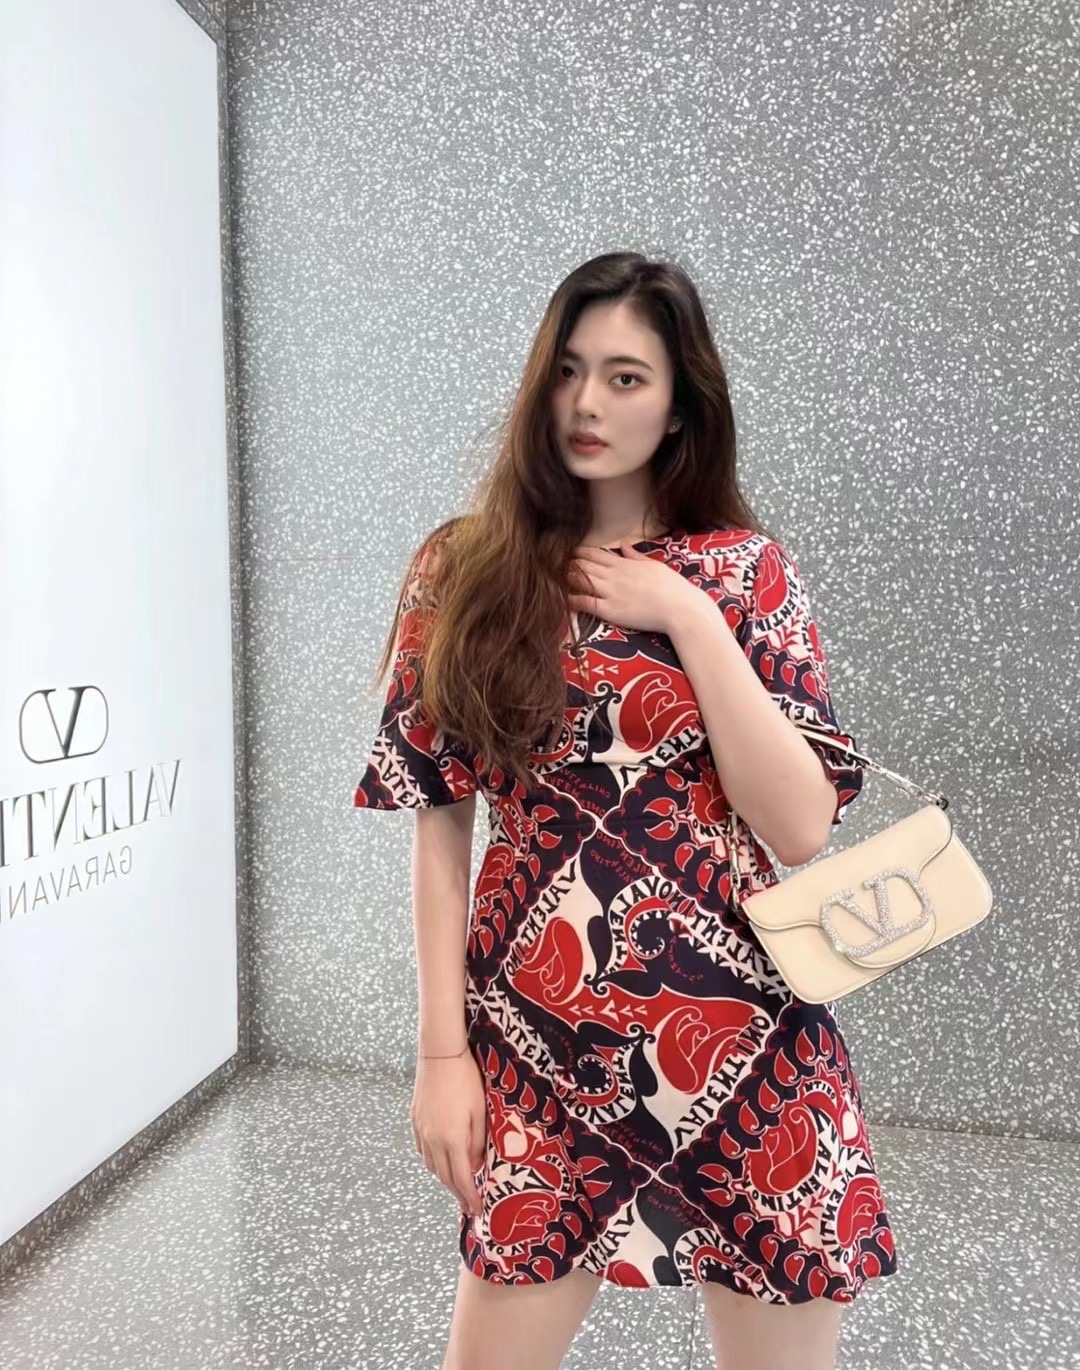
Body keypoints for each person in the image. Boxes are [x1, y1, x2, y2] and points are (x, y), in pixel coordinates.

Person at [353, 252, 898, 1370]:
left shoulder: (744, 574)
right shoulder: (465, 570)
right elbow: (440, 822)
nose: (588, 403)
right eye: (568, 370)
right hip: (537, 1046)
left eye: (626, 376)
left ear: (681, 406)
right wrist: (441, 1055)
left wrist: (687, 617)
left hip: (750, 1047)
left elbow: (798, 825)